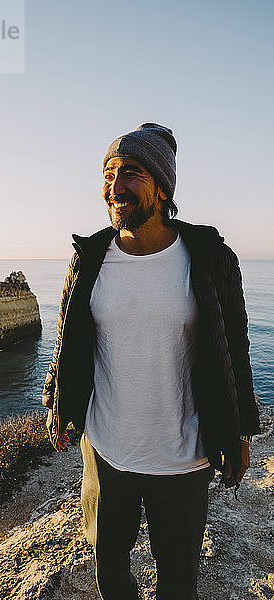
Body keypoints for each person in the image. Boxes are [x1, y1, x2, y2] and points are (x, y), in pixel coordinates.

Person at [42, 122, 261, 600]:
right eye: (108, 172)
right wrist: (59, 404)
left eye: (132, 173)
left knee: (178, 581)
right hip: (106, 452)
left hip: (182, 457)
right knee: (109, 570)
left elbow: (235, 348)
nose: (114, 186)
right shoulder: (89, 257)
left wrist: (240, 429)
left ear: (163, 190)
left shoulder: (209, 258)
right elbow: (69, 339)